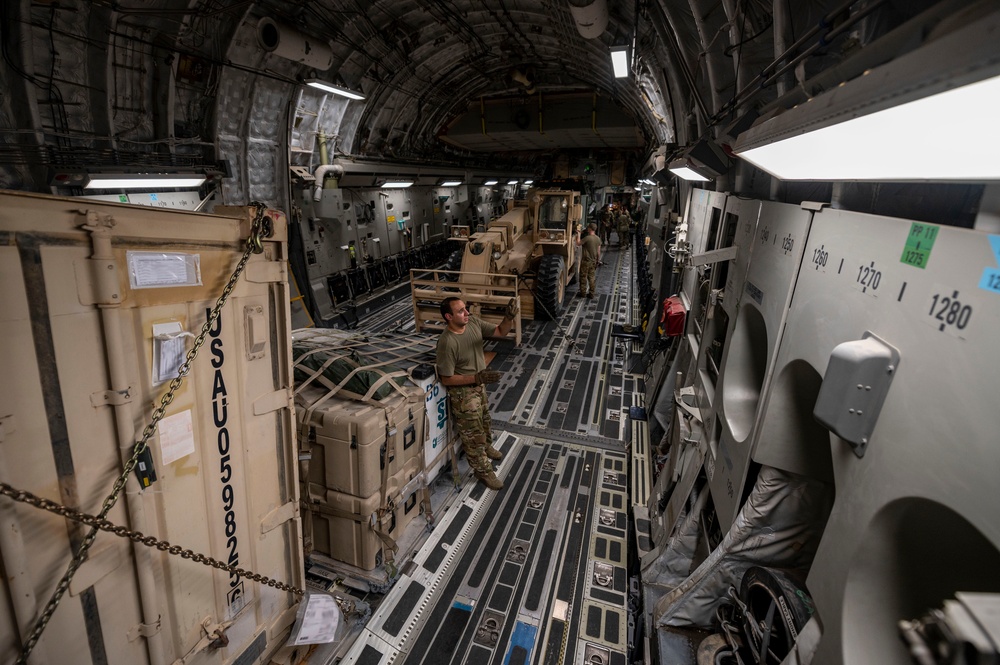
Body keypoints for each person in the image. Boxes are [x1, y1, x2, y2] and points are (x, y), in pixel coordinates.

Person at [435, 296, 517, 490]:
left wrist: (509, 318)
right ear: (448, 316)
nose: (467, 313)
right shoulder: (447, 343)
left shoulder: (472, 323)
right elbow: (446, 378)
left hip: (478, 386)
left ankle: (487, 446)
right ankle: (483, 471)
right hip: (463, 394)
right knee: (473, 436)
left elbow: (500, 332)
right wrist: (476, 378)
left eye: (466, 308)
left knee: (485, 421)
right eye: (461, 311)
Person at [576, 223, 601, 299]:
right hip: (593, 261)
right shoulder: (598, 239)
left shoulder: (587, 238)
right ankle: (591, 294)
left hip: (586, 261)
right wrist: (597, 260)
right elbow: (598, 252)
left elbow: (578, 243)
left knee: (583, 277)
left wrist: (579, 234)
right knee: (592, 278)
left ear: (590, 229)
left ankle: (583, 293)